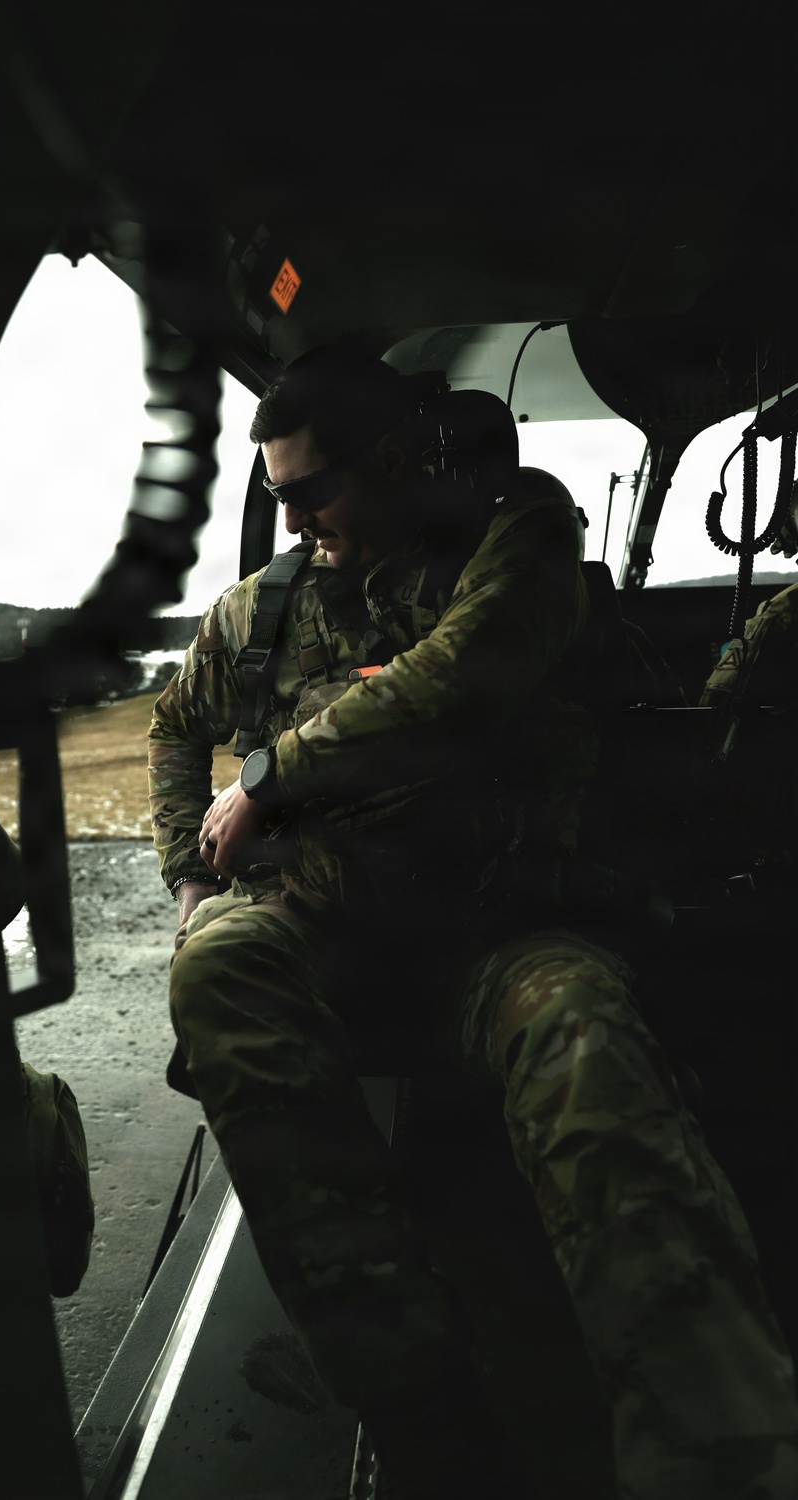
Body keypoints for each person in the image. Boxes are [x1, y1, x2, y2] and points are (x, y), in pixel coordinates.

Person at [147, 347, 798, 1499]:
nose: (293, 520)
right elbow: (169, 723)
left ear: (394, 460)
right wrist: (188, 885)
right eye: (277, 497)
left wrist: (269, 778)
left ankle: (716, 1449)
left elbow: (454, 679)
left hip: (500, 928)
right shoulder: (260, 615)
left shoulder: (512, 548)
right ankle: (416, 1401)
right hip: (330, 924)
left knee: (587, 1041)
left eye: (310, 491)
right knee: (216, 972)